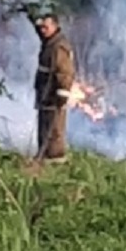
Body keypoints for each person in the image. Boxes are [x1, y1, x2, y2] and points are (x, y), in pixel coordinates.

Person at [32, 13, 76, 163]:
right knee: (44, 126)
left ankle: (56, 159)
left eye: (46, 27)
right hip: (45, 93)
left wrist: (62, 95)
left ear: (55, 27)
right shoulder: (49, 42)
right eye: (41, 27)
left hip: (53, 94)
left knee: (54, 129)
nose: (43, 30)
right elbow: (39, 30)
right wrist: (32, 16)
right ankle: (43, 156)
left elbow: (65, 72)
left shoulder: (59, 46)